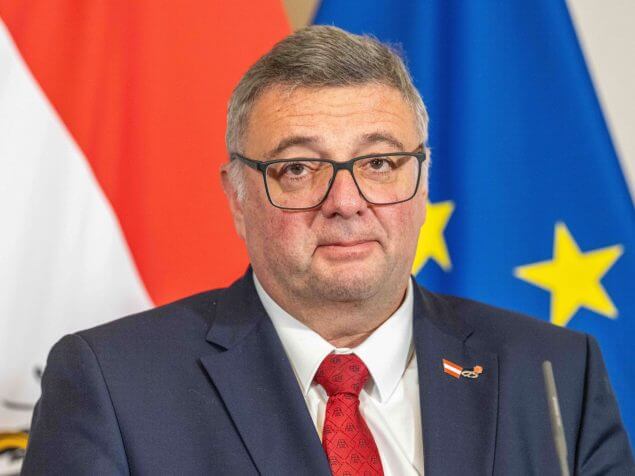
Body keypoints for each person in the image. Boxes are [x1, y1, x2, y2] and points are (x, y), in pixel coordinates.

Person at [22, 25, 633, 475]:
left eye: (380, 163)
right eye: (298, 168)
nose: (346, 201)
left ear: (422, 182)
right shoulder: (113, 385)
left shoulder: (555, 373)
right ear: (237, 197)